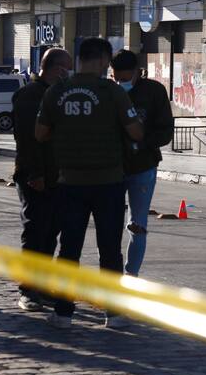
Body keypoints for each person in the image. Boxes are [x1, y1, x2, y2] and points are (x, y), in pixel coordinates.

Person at [36, 38, 143, 329]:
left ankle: (63, 311)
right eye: (107, 62)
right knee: (110, 249)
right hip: (108, 181)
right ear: (100, 61)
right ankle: (113, 312)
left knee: (69, 248)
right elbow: (135, 132)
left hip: (69, 181)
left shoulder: (57, 91)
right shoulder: (112, 92)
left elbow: (40, 132)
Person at [12, 48, 73, 311]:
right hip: (35, 176)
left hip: (58, 176)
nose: (69, 74)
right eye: (67, 68)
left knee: (51, 234)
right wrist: (35, 174)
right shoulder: (30, 95)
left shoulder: (60, 94)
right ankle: (28, 289)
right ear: (57, 68)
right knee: (35, 233)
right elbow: (26, 139)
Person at [110, 49, 173, 277]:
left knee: (138, 225)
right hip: (112, 168)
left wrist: (142, 144)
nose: (121, 82)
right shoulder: (108, 91)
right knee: (110, 225)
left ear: (137, 72)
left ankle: (131, 274)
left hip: (143, 166)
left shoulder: (154, 91)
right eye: (117, 78)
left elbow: (166, 130)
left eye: (126, 79)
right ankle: (111, 274)